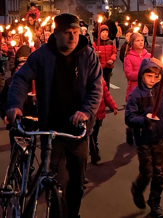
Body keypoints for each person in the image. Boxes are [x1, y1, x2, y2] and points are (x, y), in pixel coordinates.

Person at [6, 13, 103, 218]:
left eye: (76, 33)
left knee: (77, 183)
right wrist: (16, 105)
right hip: (51, 128)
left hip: (78, 131)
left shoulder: (88, 55)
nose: (72, 37)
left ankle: (72, 213)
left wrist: (86, 111)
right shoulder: (42, 55)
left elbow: (96, 88)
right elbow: (21, 79)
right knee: (56, 180)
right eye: (67, 33)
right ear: (56, 33)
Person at [125, 58, 163, 218]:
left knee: (159, 172)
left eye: (156, 76)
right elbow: (129, 118)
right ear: (142, 75)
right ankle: (138, 188)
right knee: (147, 171)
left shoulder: (160, 89)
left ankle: (155, 203)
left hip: (159, 135)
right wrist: (144, 120)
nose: (153, 80)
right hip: (144, 138)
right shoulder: (135, 95)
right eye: (149, 76)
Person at [124, 33, 151, 145]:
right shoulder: (128, 57)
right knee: (135, 116)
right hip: (134, 90)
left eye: (142, 40)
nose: (140, 42)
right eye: (137, 40)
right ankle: (131, 131)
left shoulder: (148, 55)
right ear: (132, 43)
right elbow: (129, 74)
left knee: (146, 115)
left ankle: (144, 137)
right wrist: (143, 74)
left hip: (147, 91)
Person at [90, 78, 118, 164]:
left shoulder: (102, 82)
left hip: (99, 115)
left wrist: (113, 107)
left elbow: (107, 96)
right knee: (90, 135)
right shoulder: (85, 82)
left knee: (94, 134)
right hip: (89, 115)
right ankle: (94, 152)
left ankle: (94, 147)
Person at [93, 25, 117, 90]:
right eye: (103, 32)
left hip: (108, 66)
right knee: (100, 83)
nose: (105, 34)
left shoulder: (111, 42)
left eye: (106, 32)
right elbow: (93, 53)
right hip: (100, 66)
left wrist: (112, 59)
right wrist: (96, 54)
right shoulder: (96, 42)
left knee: (107, 82)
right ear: (100, 33)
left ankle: (106, 96)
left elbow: (114, 52)